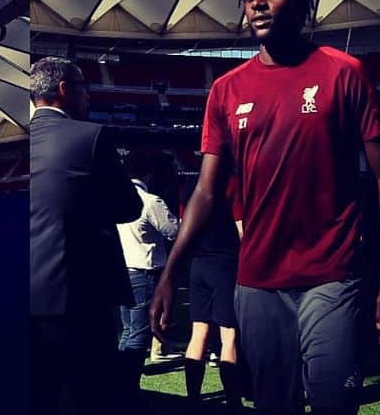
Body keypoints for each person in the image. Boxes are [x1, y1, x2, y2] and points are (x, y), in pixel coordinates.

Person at [150, 0, 380, 415]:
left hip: (333, 275)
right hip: (256, 284)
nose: (258, 4)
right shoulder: (226, 91)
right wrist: (171, 273)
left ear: (300, 1)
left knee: (333, 403)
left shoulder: (343, 71)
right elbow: (207, 193)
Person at [30, 57, 142, 413]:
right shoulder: (90, 136)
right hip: (78, 297)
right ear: (64, 90)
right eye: (83, 88)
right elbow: (129, 206)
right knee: (91, 395)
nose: (88, 97)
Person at [116, 152, 179, 407]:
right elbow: (174, 230)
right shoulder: (151, 201)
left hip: (124, 269)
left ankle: (120, 384)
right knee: (139, 334)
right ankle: (128, 390)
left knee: (128, 331)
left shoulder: (117, 198)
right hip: (144, 270)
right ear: (148, 174)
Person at [184, 169, 243, 413]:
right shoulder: (233, 182)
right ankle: (232, 401)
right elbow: (242, 229)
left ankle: (193, 398)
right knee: (228, 336)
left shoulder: (191, 185)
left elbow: (184, 224)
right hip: (224, 265)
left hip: (198, 264)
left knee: (199, 333)